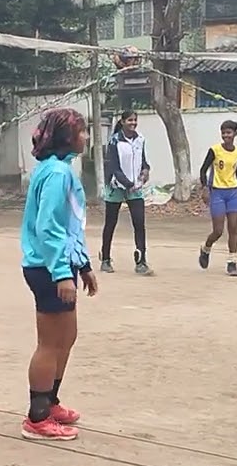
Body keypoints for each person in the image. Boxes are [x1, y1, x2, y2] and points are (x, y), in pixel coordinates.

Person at [20, 108, 97, 442]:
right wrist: (63, 273)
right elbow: (48, 228)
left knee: (67, 337)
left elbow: (69, 229)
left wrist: (84, 266)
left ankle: (51, 403)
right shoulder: (54, 174)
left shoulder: (60, 170)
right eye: (82, 131)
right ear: (67, 137)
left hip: (58, 265)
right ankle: (36, 418)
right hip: (47, 268)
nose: (87, 137)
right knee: (50, 343)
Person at [100, 110, 153, 276]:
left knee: (139, 223)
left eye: (135, 120)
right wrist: (127, 183)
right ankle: (106, 258)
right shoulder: (114, 141)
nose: (133, 123)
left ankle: (141, 260)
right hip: (116, 187)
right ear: (122, 122)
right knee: (111, 223)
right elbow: (113, 167)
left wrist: (145, 172)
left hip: (135, 188)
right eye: (130, 120)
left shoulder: (140, 140)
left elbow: (143, 161)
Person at [197, 119, 237, 277]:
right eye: (224, 132)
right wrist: (205, 187)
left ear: (235, 134)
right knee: (218, 230)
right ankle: (206, 248)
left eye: (229, 132)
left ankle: (232, 262)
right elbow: (203, 170)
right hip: (218, 192)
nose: (226, 135)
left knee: (233, 228)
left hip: (233, 192)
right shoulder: (215, 150)